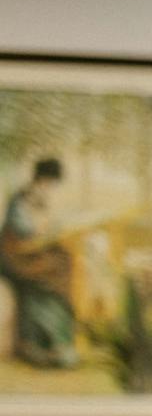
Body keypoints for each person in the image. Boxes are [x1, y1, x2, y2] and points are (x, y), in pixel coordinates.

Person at [0, 158, 79, 368]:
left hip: (31, 253)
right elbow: (23, 231)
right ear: (41, 179)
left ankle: (58, 344)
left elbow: (46, 228)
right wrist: (44, 229)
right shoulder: (21, 199)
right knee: (49, 274)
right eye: (50, 183)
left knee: (64, 261)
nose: (51, 188)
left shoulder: (40, 198)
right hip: (15, 258)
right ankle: (37, 346)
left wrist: (52, 229)